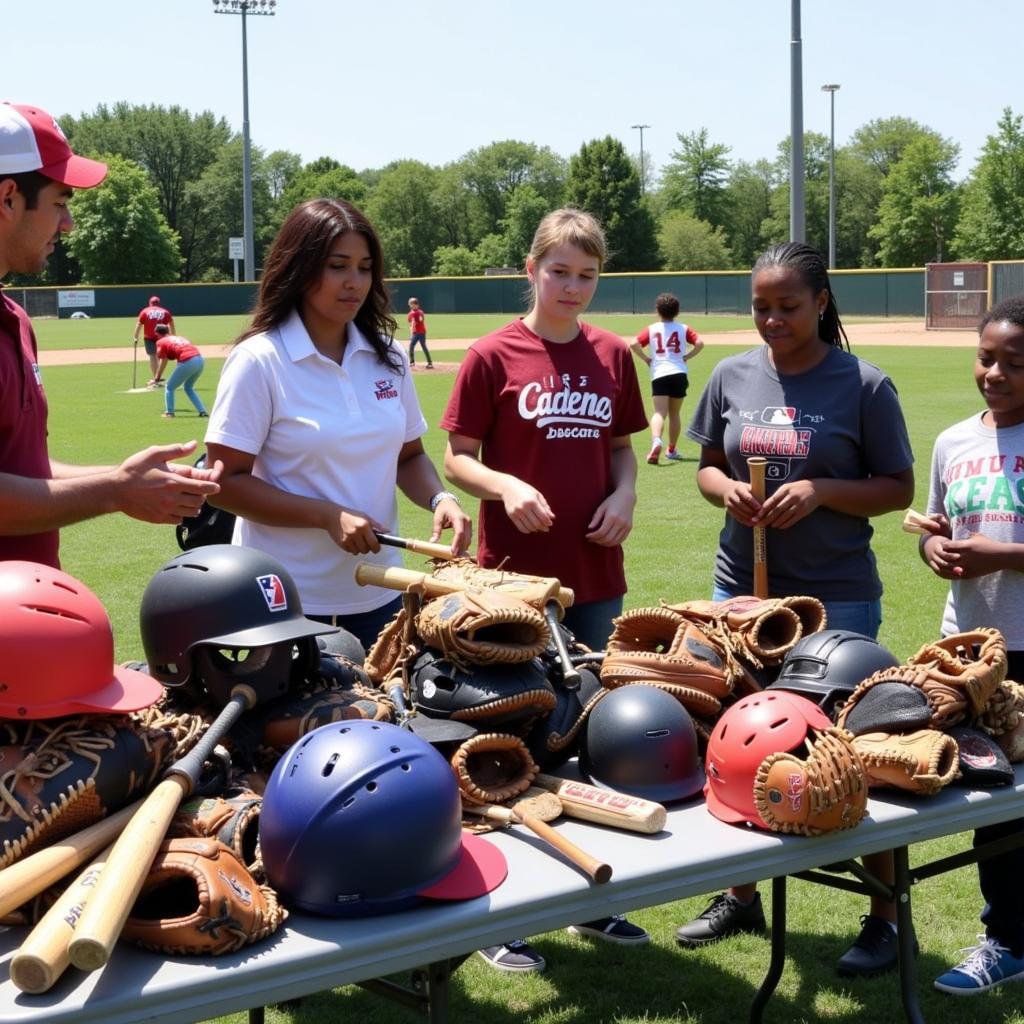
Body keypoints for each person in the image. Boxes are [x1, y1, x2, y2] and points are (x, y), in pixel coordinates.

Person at [678, 241, 915, 976]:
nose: (773, 320)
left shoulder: (864, 385)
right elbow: (709, 467)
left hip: (835, 594)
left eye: (788, 306)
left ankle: (883, 916)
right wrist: (728, 492)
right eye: (761, 307)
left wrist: (820, 490)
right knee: (736, 740)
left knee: (853, 748)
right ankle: (739, 892)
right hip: (742, 595)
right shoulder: (729, 375)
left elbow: (898, 487)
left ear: (821, 302)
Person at [441, 207, 651, 973]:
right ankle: (507, 912)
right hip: (512, 583)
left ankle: (592, 900)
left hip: (593, 573)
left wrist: (626, 497)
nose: (572, 287)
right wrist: (504, 484)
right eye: (558, 271)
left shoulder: (612, 353)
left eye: (586, 275)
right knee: (511, 738)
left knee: (590, 732)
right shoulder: (493, 354)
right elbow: (458, 456)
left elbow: (624, 452)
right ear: (531, 270)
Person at [204, 198, 470, 653]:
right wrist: (327, 516)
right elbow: (224, 483)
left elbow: (408, 455)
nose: (355, 282)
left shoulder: (387, 354)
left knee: (386, 720)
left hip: (384, 591)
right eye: (338, 266)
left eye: (365, 268)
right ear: (301, 267)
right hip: (286, 603)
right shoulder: (259, 360)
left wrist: (439, 497)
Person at [0, 101, 220, 570]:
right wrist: (116, 491)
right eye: (59, 202)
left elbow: (24, 473)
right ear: (8, 197)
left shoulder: (15, 319)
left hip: (23, 617)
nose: (68, 223)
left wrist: (129, 478)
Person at [919, 295, 1024, 995]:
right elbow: (935, 526)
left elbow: (994, 548)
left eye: (1014, 363)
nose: (995, 372)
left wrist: (1004, 555)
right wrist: (933, 546)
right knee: (993, 801)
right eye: (986, 358)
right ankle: (1008, 939)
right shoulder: (954, 442)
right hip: (973, 653)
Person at [630, 292, 703, 465]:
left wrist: (646, 359)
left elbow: (634, 343)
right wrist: (687, 356)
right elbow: (700, 343)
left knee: (659, 412)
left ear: (657, 310)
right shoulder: (683, 328)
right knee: (675, 413)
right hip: (679, 373)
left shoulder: (652, 328)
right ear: (677, 312)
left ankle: (656, 441)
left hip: (660, 373)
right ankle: (671, 449)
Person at [152, 324, 207, 419]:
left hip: (188, 360)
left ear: (157, 334)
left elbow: (164, 360)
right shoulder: (179, 337)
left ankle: (169, 413)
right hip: (200, 360)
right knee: (188, 388)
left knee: (169, 387)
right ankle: (202, 411)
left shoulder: (160, 341)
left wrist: (157, 378)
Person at [133, 295, 175, 385]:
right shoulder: (165, 312)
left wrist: (135, 337)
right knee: (163, 356)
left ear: (150, 304)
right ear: (159, 303)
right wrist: (173, 336)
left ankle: (156, 378)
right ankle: (158, 377)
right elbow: (171, 323)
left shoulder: (145, 311)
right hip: (162, 337)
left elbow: (139, 324)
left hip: (149, 337)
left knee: (152, 356)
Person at [407, 296, 433, 369]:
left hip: (421, 332)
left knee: (423, 346)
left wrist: (412, 330)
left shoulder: (419, 312)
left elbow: (416, 322)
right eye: (410, 303)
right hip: (415, 333)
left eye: (412, 304)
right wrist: (412, 332)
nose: (410, 305)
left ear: (416, 305)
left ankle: (430, 363)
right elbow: (411, 324)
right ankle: (412, 362)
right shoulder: (410, 313)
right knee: (411, 346)